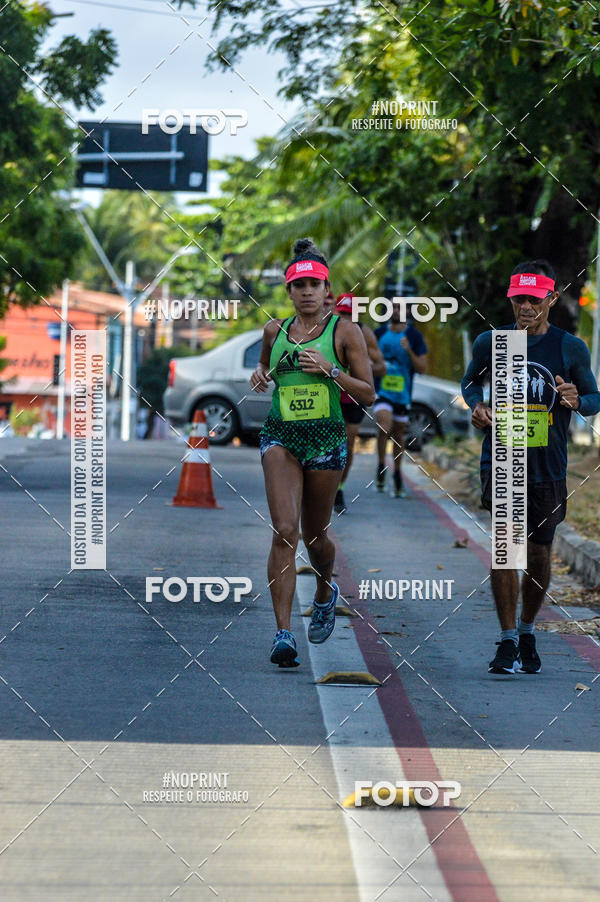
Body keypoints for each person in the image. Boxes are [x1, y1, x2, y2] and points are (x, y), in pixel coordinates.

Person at [462, 259, 600, 675]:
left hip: (548, 465)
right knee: (506, 547)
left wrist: (577, 400)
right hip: (502, 456)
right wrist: (478, 406)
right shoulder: (493, 343)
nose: (525, 306)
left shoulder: (568, 347)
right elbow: (470, 382)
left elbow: (595, 398)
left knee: (539, 551)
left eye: (534, 299)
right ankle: (506, 641)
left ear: (552, 298)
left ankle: (526, 629)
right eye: (518, 298)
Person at [250, 238, 375, 668]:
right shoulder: (275, 330)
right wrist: (260, 375)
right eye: (298, 285)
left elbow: (369, 392)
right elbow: (266, 366)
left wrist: (332, 371)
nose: (306, 291)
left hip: (326, 439)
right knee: (285, 529)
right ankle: (283, 634)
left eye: (314, 284)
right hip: (281, 435)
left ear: (328, 290)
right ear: (288, 291)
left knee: (315, 535)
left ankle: (325, 591)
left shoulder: (345, 331)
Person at [332, 293, 386, 513]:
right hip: (332, 393)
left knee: (347, 445)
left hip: (354, 396)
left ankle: (339, 489)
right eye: (342, 313)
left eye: (349, 314)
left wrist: (359, 366)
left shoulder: (364, 333)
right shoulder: (328, 328)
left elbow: (381, 366)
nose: (345, 318)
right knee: (328, 443)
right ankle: (323, 488)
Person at [374, 302, 427, 496]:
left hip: (403, 394)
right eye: (393, 307)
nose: (396, 311)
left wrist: (409, 351)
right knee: (384, 425)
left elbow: (422, 368)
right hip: (382, 392)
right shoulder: (378, 334)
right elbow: (364, 359)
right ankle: (381, 466)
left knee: (398, 435)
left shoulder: (414, 336)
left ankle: (396, 474)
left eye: (400, 307)